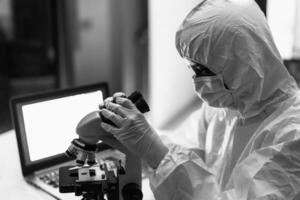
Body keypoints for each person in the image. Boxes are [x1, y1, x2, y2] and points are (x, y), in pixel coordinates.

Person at [99, 0, 300, 199]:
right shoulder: (227, 107)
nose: (197, 81)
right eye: (193, 69)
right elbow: (184, 150)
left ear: (244, 64)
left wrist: (151, 148)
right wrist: (136, 136)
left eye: (203, 70)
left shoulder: (292, 135)